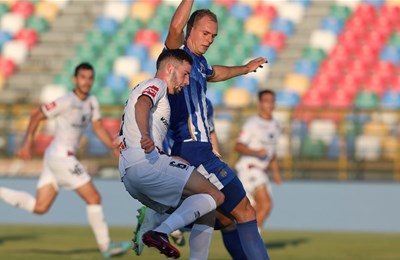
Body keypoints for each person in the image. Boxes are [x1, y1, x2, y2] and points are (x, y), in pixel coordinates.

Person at [164, 1, 270, 259]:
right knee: (245, 211)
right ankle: (163, 223)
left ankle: (169, 221)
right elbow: (175, 27)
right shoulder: (178, 56)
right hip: (193, 150)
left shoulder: (199, 64)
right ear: (190, 30)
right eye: (205, 33)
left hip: (199, 151)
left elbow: (215, 73)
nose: (210, 39)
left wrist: (244, 69)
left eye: (213, 36)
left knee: (224, 219)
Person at [0, 62, 131, 258]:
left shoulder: (92, 101)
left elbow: (97, 128)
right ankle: (106, 246)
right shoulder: (66, 101)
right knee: (94, 198)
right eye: (83, 77)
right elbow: (36, 115)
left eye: (90, 78)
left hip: (54, 158)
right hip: (62, 158)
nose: (86, 82)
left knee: (40, 207)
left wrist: (113, 147)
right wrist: (27, 144)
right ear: (74, 79)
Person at [118, 49, 224, 259]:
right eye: (185, 74)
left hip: (132, 173)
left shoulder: (150, 91)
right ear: (169, 68)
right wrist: (145, 135)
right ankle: (160, 231)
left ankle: (155, 220)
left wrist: (164, 155)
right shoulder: (156, 84)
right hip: (145, 165)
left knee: (205, 206)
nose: (186, 82)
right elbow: (143, 103)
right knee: (216, 195)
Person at [235, 89, 283, 232]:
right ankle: (254, 240)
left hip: (262, 171)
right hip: (250, 168)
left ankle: (246, 240)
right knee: (266, 205)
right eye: (266, 101)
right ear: (260, 103)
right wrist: (256, 152)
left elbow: (272, 153)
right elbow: (238, 146)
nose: (270, 104)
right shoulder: (252, 123)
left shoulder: (277, 125)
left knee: (254, 210)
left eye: (272, 101)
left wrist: (276, 173)